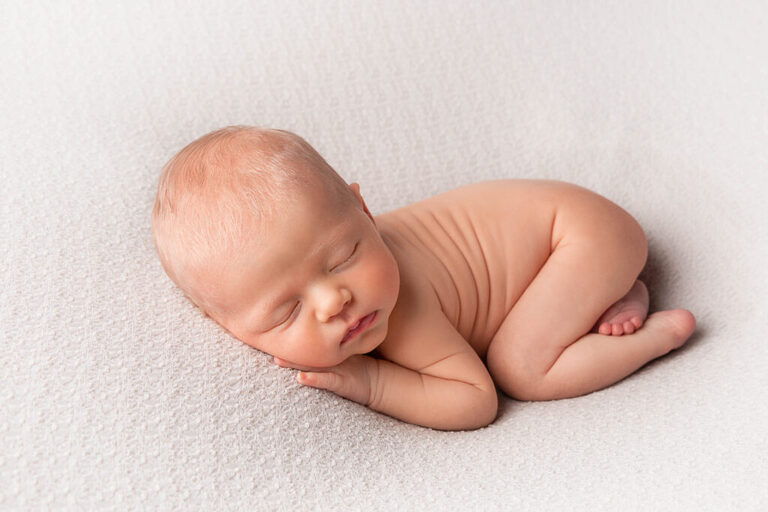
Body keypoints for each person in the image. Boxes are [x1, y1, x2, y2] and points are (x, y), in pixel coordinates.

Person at [150, 126, 696, 431]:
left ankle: (659, 333)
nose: (336, 300)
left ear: (364, 210)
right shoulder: (343, 271)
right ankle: (615, 294)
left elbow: (474, 399)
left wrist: (372, 383)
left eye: (343, 257)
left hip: (579, 237)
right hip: (574, 248)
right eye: (287, 311)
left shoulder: (400, 306)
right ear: (226, 326)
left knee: (519, 368)